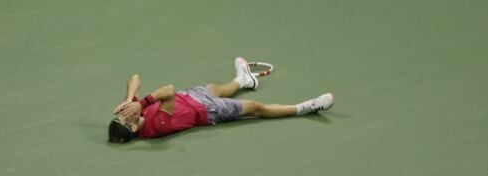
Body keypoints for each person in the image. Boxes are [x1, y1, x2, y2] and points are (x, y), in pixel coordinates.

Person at [108, 57, 334, 143]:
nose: (124, 114)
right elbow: (168, 90)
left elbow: (135, 77)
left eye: (120, 116)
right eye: (126, 119)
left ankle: (244, 80)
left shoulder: (134, 113)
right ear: (136, 127)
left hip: (191, 96)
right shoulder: (157, 125)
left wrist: (130, 98)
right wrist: (140, 103)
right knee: (257, 108)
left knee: (224, 87)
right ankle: (305, 107)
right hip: (209, 111)